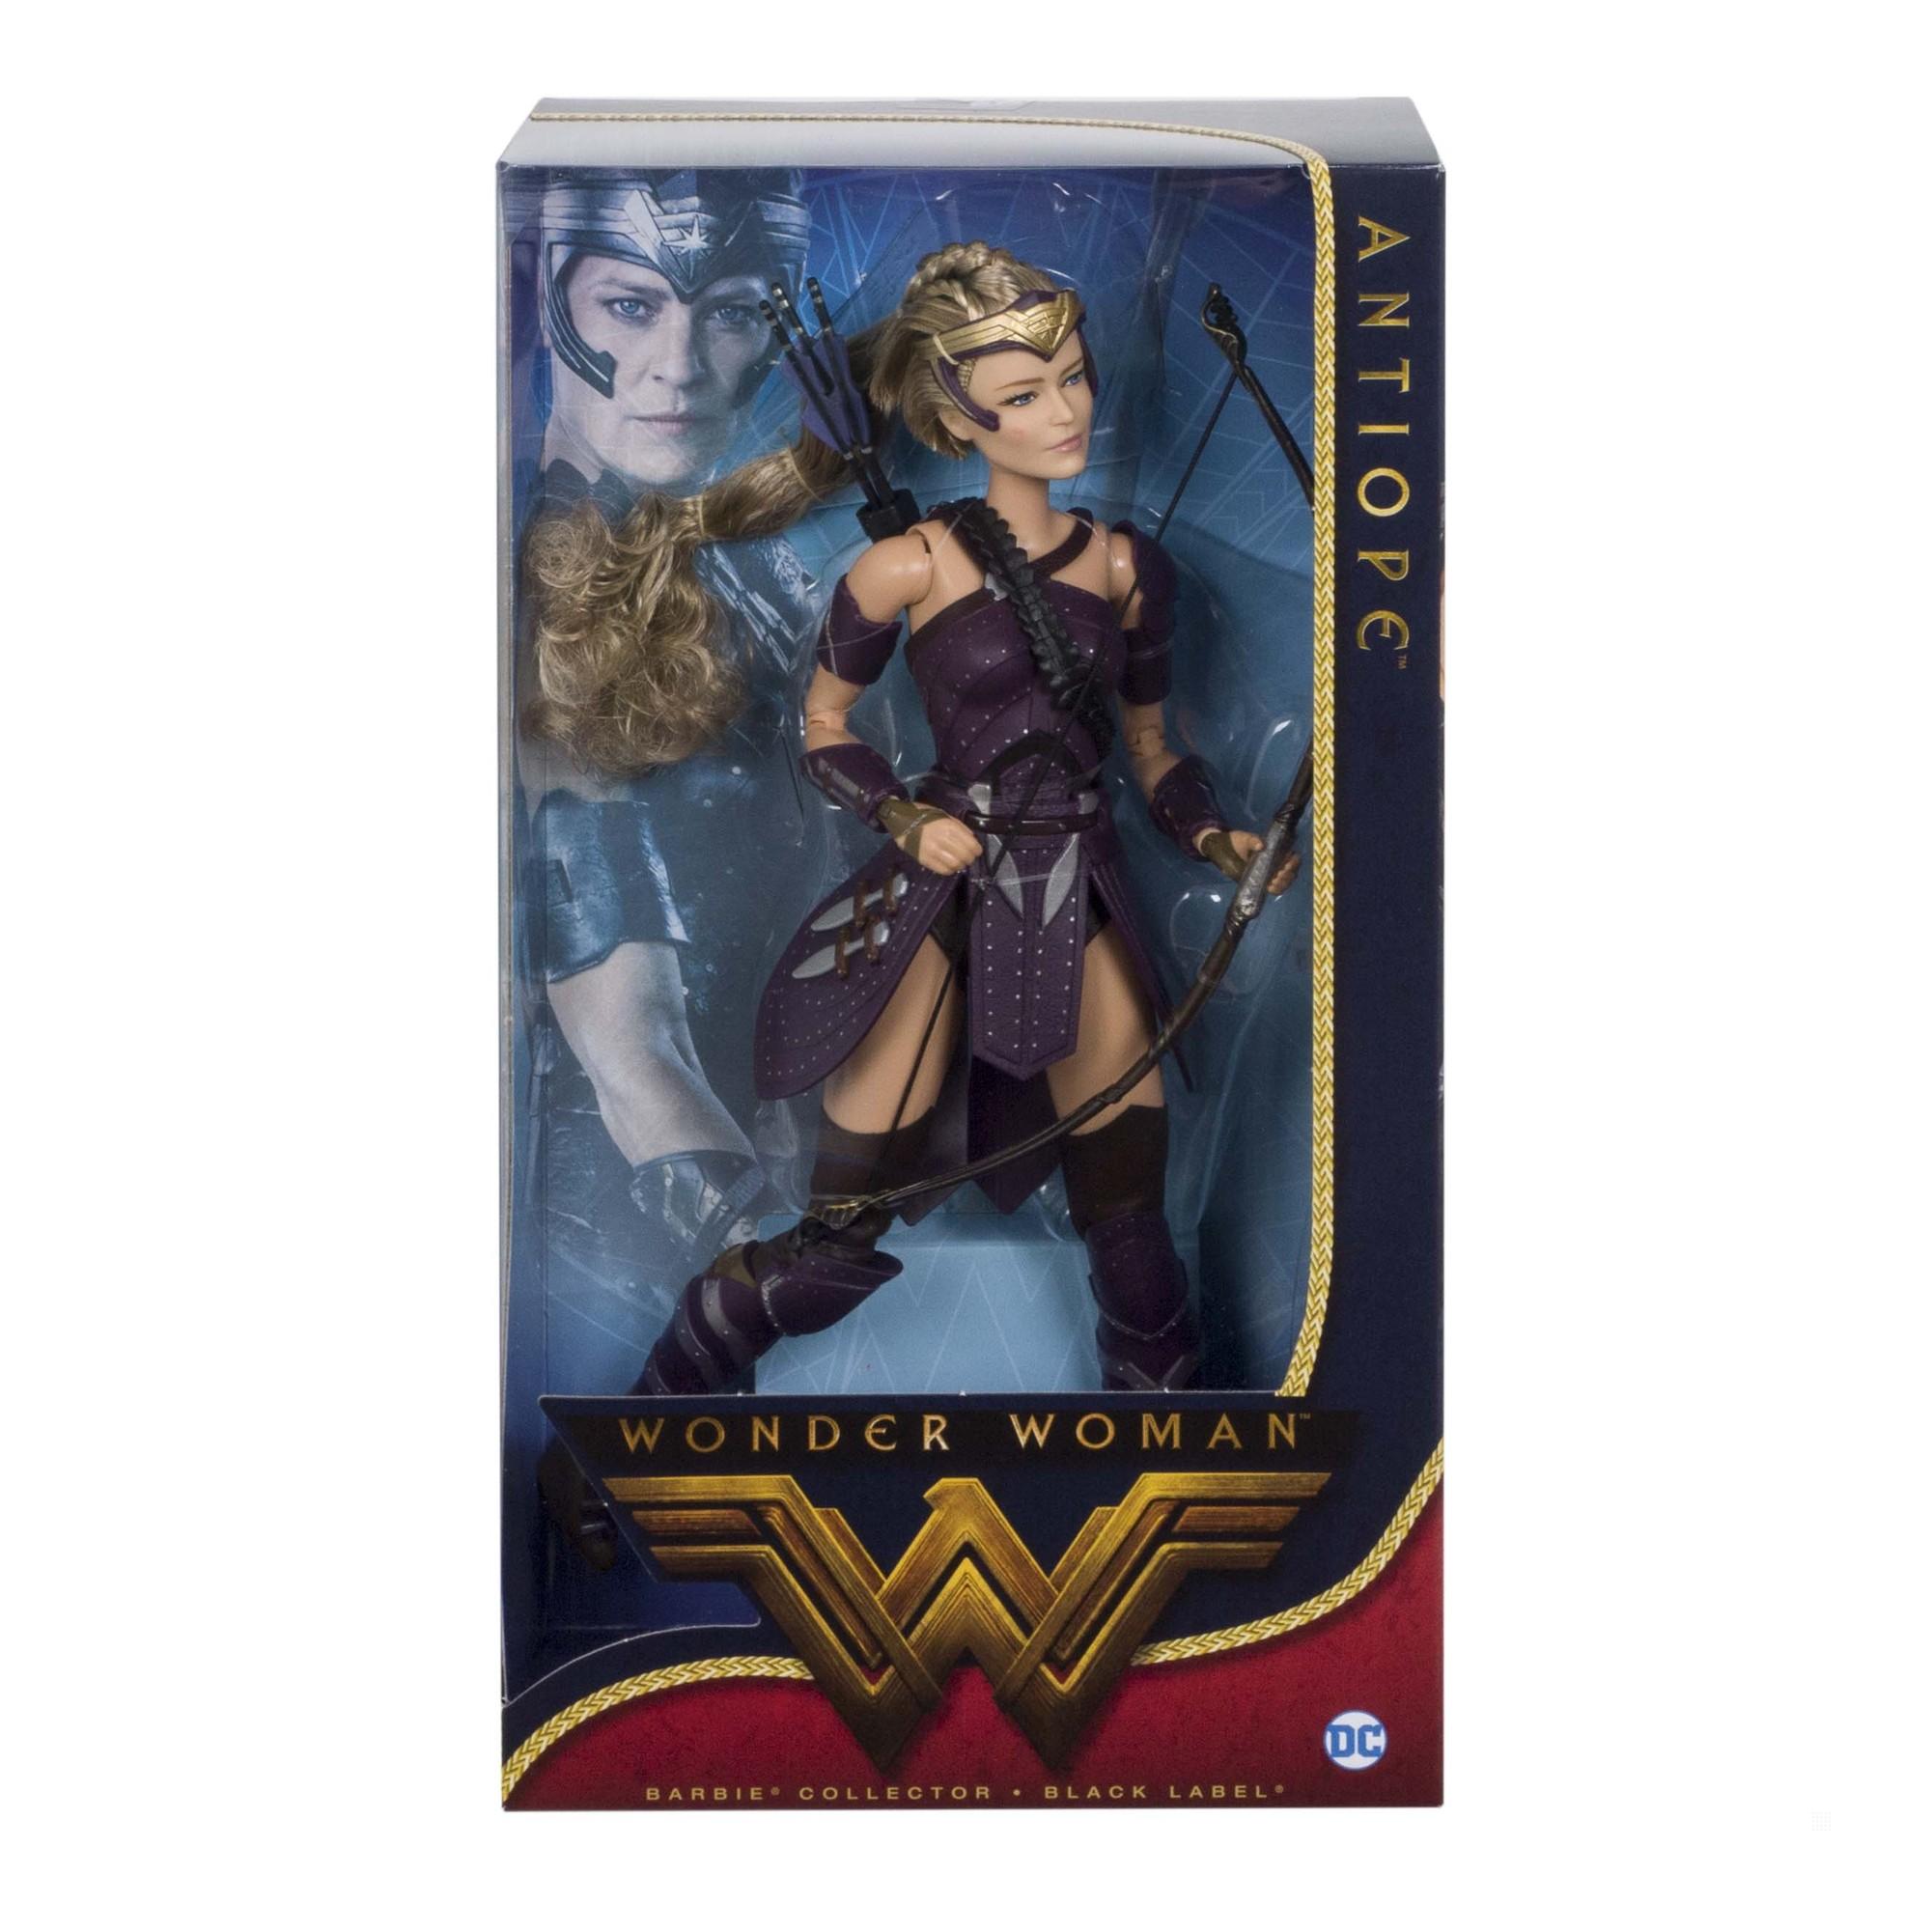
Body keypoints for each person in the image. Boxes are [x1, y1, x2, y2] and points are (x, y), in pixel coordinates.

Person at [529, 241, 1299, 1400]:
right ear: (954, 417)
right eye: (1023, 395)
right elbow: (823, 728)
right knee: (839, 1232)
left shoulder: (1127, 568)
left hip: (1078, 885)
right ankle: (672, 1390)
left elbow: (1151, 747)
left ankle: (1164, 1433)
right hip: (940, 890)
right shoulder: (906, 565)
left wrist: (1216, 839)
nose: (1065, 413)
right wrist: (899, 813)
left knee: (1133, 1225)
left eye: (1074, 379)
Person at [517, 172, 824, 1322]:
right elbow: (626, 1042)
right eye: (631, 306)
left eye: (730, 311)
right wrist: (769, 1258)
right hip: (630, 1251)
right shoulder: (530, 602)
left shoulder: (762, 569)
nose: (679, 366)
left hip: (789, 1160)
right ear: (547, 299)